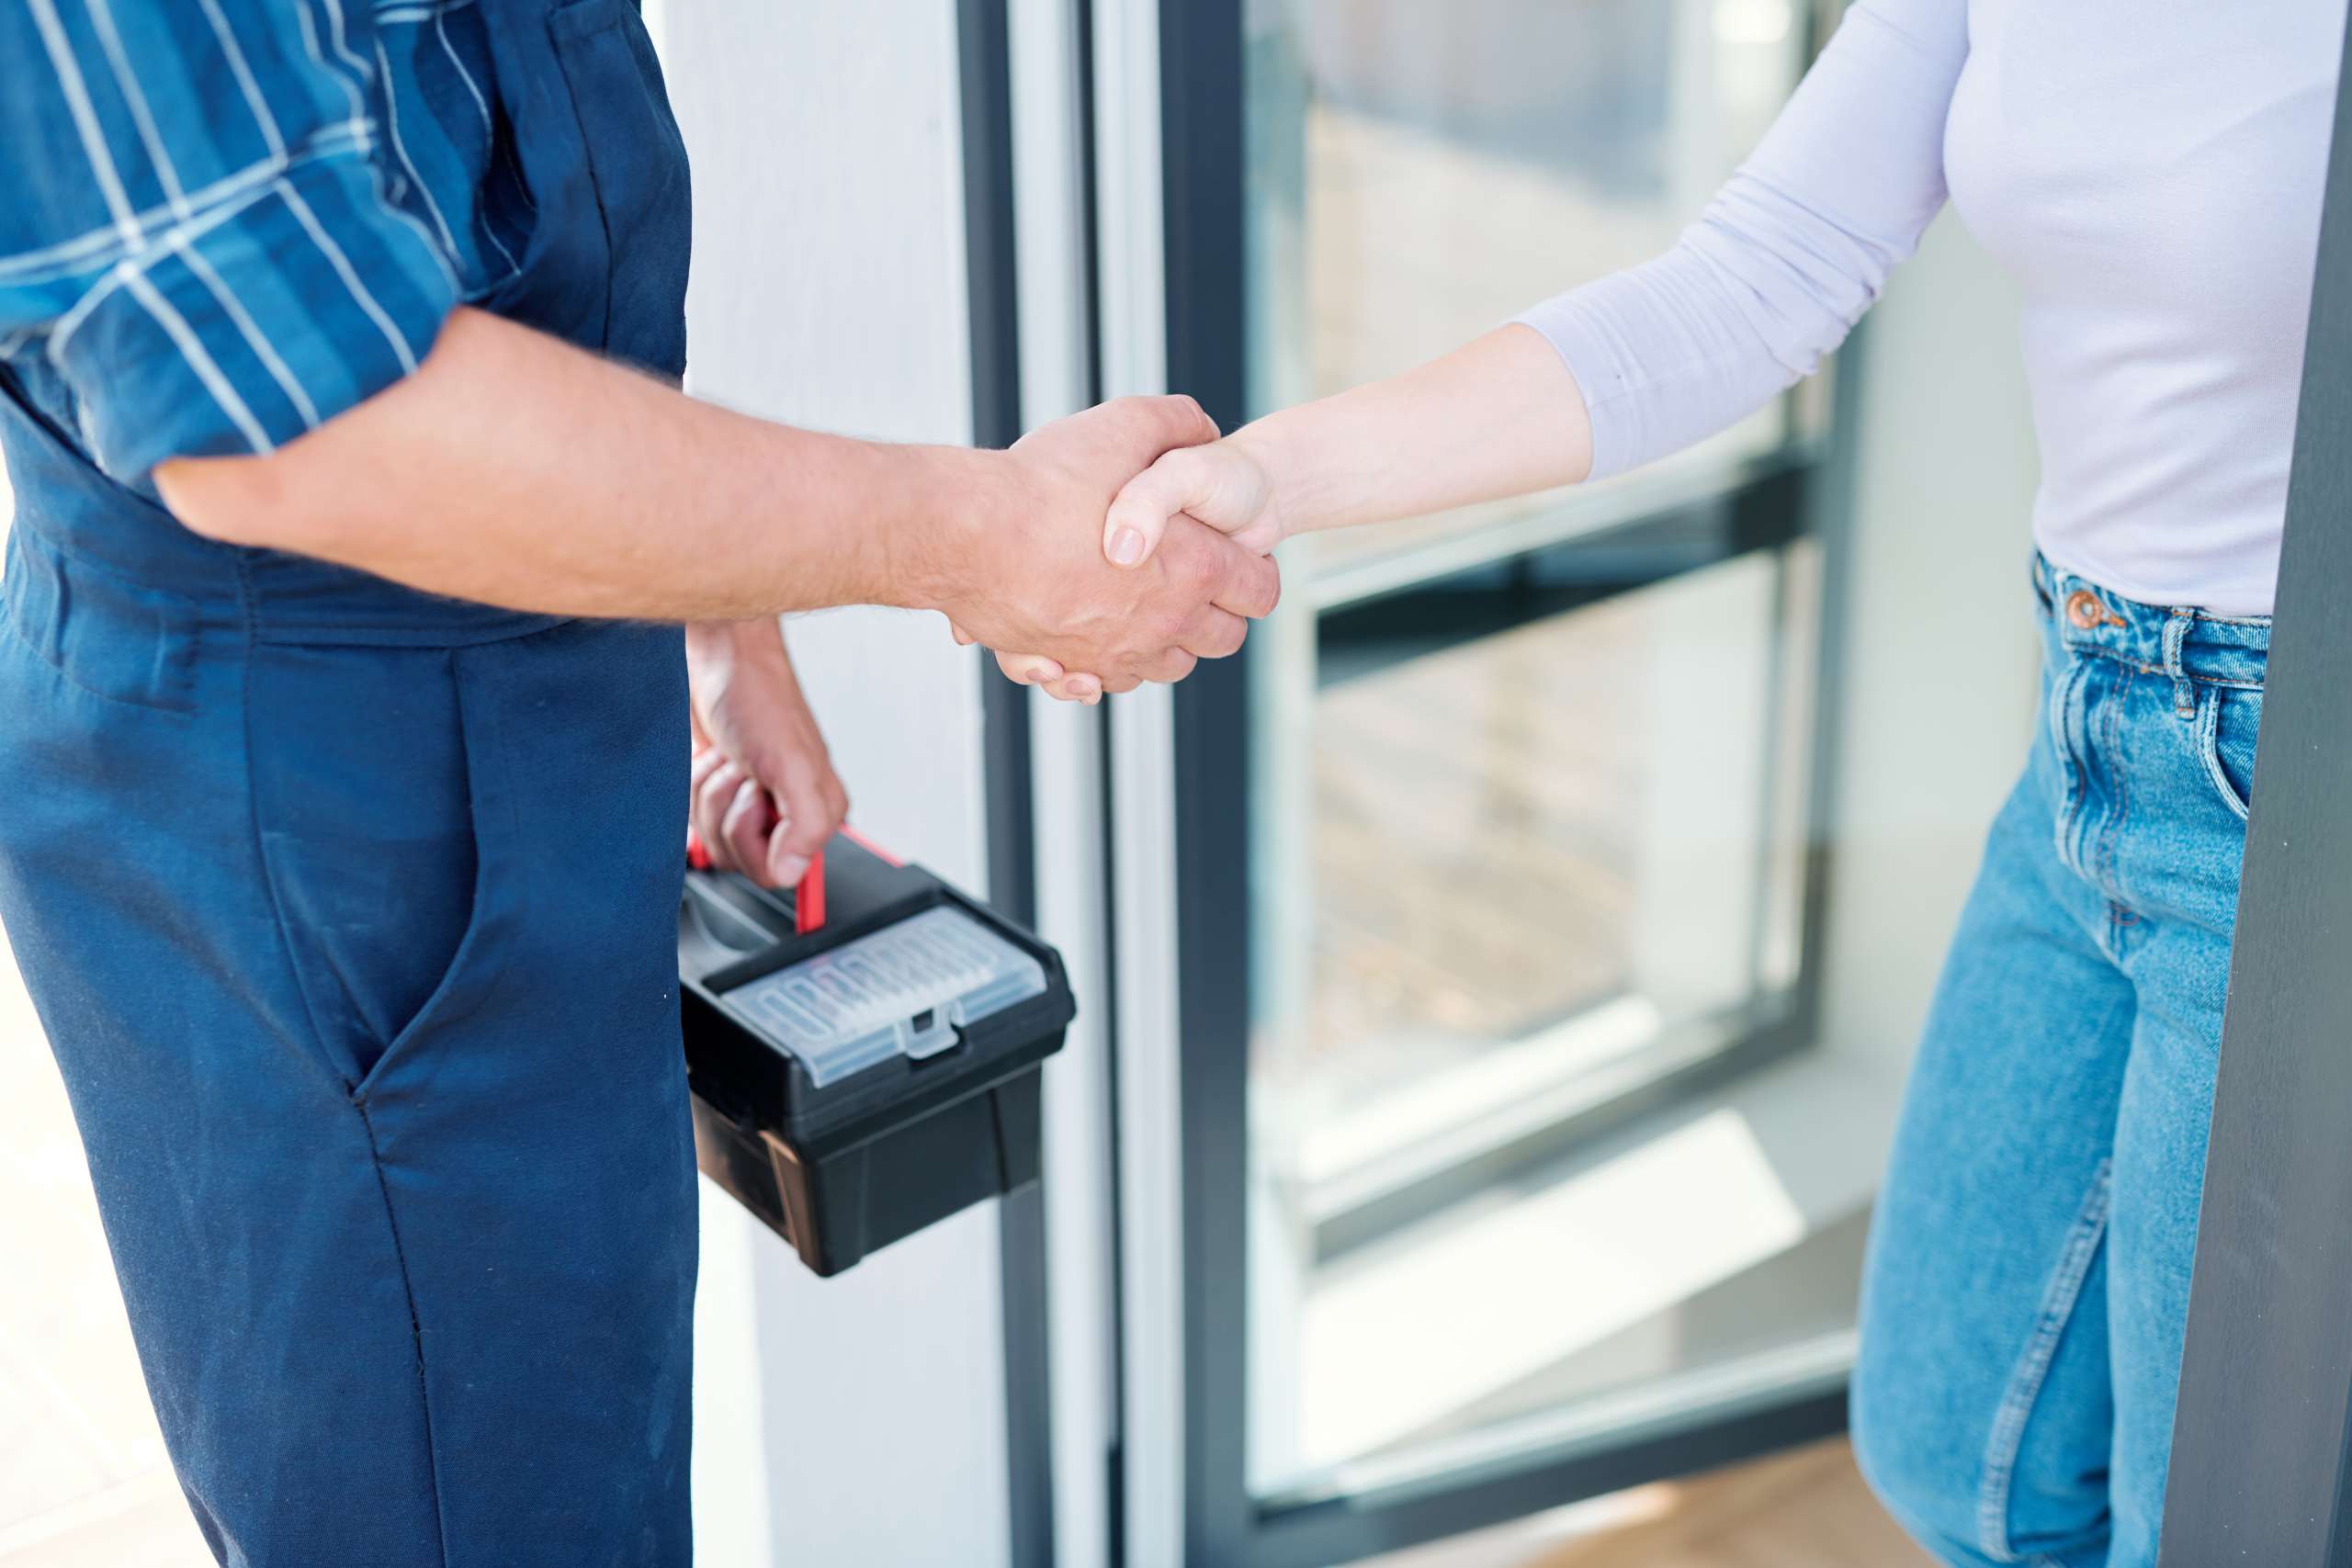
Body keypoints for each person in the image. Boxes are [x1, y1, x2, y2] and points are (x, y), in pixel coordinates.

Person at [993, 0, 2336, 1561]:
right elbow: (1756, 277)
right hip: (2092, 728)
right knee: (1961, 1452)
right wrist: (1269, 479)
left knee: (2225, 1528)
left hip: (2291, 802)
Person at [0, 2, 1275, 1562]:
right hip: (314, 780)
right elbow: (305, 428)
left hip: (498, 674)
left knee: (574, 1475)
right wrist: (974, 538)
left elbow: (475, 212)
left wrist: (716, 620)